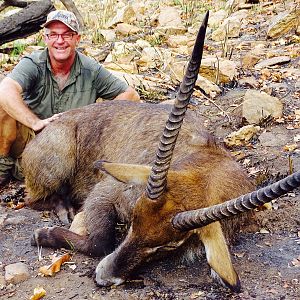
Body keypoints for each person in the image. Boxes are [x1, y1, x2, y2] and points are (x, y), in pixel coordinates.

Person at [0, 10, 140, 186]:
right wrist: (35, 123)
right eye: (54, 35)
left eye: (67, 35)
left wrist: (94, 121)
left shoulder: (91, 69)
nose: (60, 41)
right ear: (46, 39)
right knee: (3, 103)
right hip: (31, 138)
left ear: (77, 39)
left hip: (70, 146)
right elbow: (5, 90)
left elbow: (131, 96)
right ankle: (3, 166)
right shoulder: (33, 63)